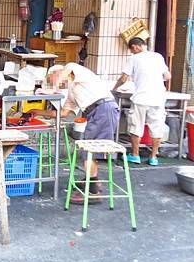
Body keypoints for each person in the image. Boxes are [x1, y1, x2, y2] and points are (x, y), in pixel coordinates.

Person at [31, 62, 119, 204]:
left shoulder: (78, 72)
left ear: (58, 74)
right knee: (89, 150)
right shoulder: (72, 91)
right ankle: (92, 182)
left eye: (51, 79)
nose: (52, 83)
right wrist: (37, 112)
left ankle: (93, 192)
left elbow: (69, 66)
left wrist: (52, 89)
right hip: (96, 112)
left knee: (89, 151)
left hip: (103, 109)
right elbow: (63, 113)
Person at [113, 37, 171, 166]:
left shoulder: (134, 58)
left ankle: (135, 155)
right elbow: (168, 76)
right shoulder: (157, 56)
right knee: (157, 128)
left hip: (141, 98)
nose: (132, 52)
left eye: (132, 50)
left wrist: (114, 89)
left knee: (136, 127)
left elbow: (123, 78)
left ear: (135, 47)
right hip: (158, 98)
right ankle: (153, 157)